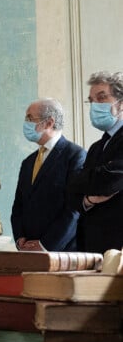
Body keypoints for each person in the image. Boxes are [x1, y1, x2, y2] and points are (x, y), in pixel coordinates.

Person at [11, 99, 86, 252]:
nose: (26, 123)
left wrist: (45, 246)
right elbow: (18, 206)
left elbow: (73, 209)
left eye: (30, 118)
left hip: (61, 252)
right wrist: (20, 239)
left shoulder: (75, 155)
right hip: (28, 251)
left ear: (49, 122)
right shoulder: (28, 162)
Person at [68, 71, 123, 253]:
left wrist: (84, 181)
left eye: (101, 98)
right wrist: (90, 198)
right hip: (92, 245)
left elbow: (110, 180)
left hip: (118, 244)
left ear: (121, 103)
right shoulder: (95, 148)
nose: (94, 106)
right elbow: (72, 190)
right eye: (91, 101)